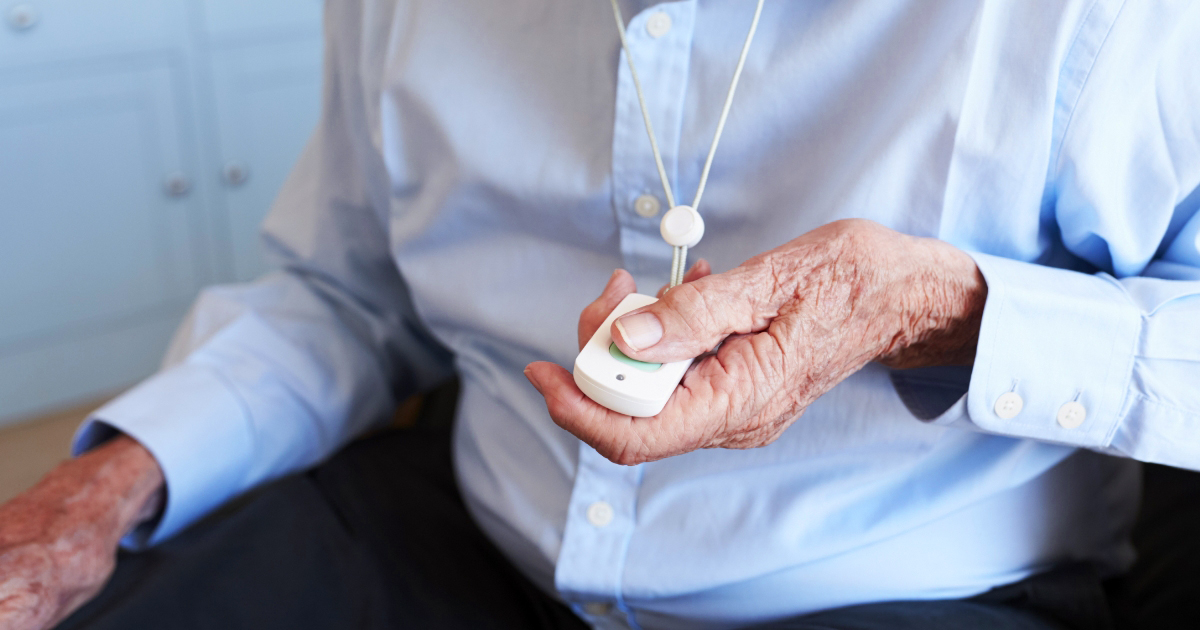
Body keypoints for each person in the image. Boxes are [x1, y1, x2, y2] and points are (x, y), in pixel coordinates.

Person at [2, 1, 1200, 628]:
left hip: (899, 590)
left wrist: (942, 313)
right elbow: (343, 289)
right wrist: (97, 492)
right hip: (477, 536)